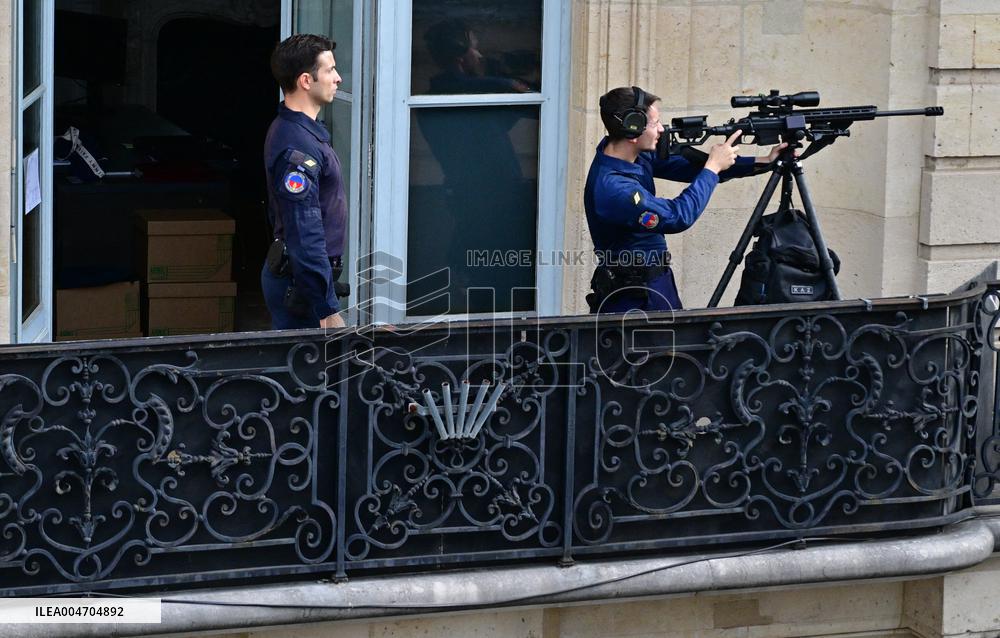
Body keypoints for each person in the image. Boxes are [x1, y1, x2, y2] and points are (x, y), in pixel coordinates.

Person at [585, 86, 788, 313]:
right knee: (658, 349)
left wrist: (761, 161)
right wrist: (713, 167)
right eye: (655, 123)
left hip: (653, 284)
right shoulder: (613, 188)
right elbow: (677, 217)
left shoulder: (631, 155)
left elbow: (689, 167)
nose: (662, 129)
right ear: (633, 128)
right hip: (634, 299)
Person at [261, 34, 347, 330]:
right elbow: (303, 229)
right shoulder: (295, 144)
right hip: (299, 285)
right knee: (309, 375)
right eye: (330, 70)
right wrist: (326, 309)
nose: (338, 78)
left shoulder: (305, 132)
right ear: (306, 81)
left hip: (304, 281)